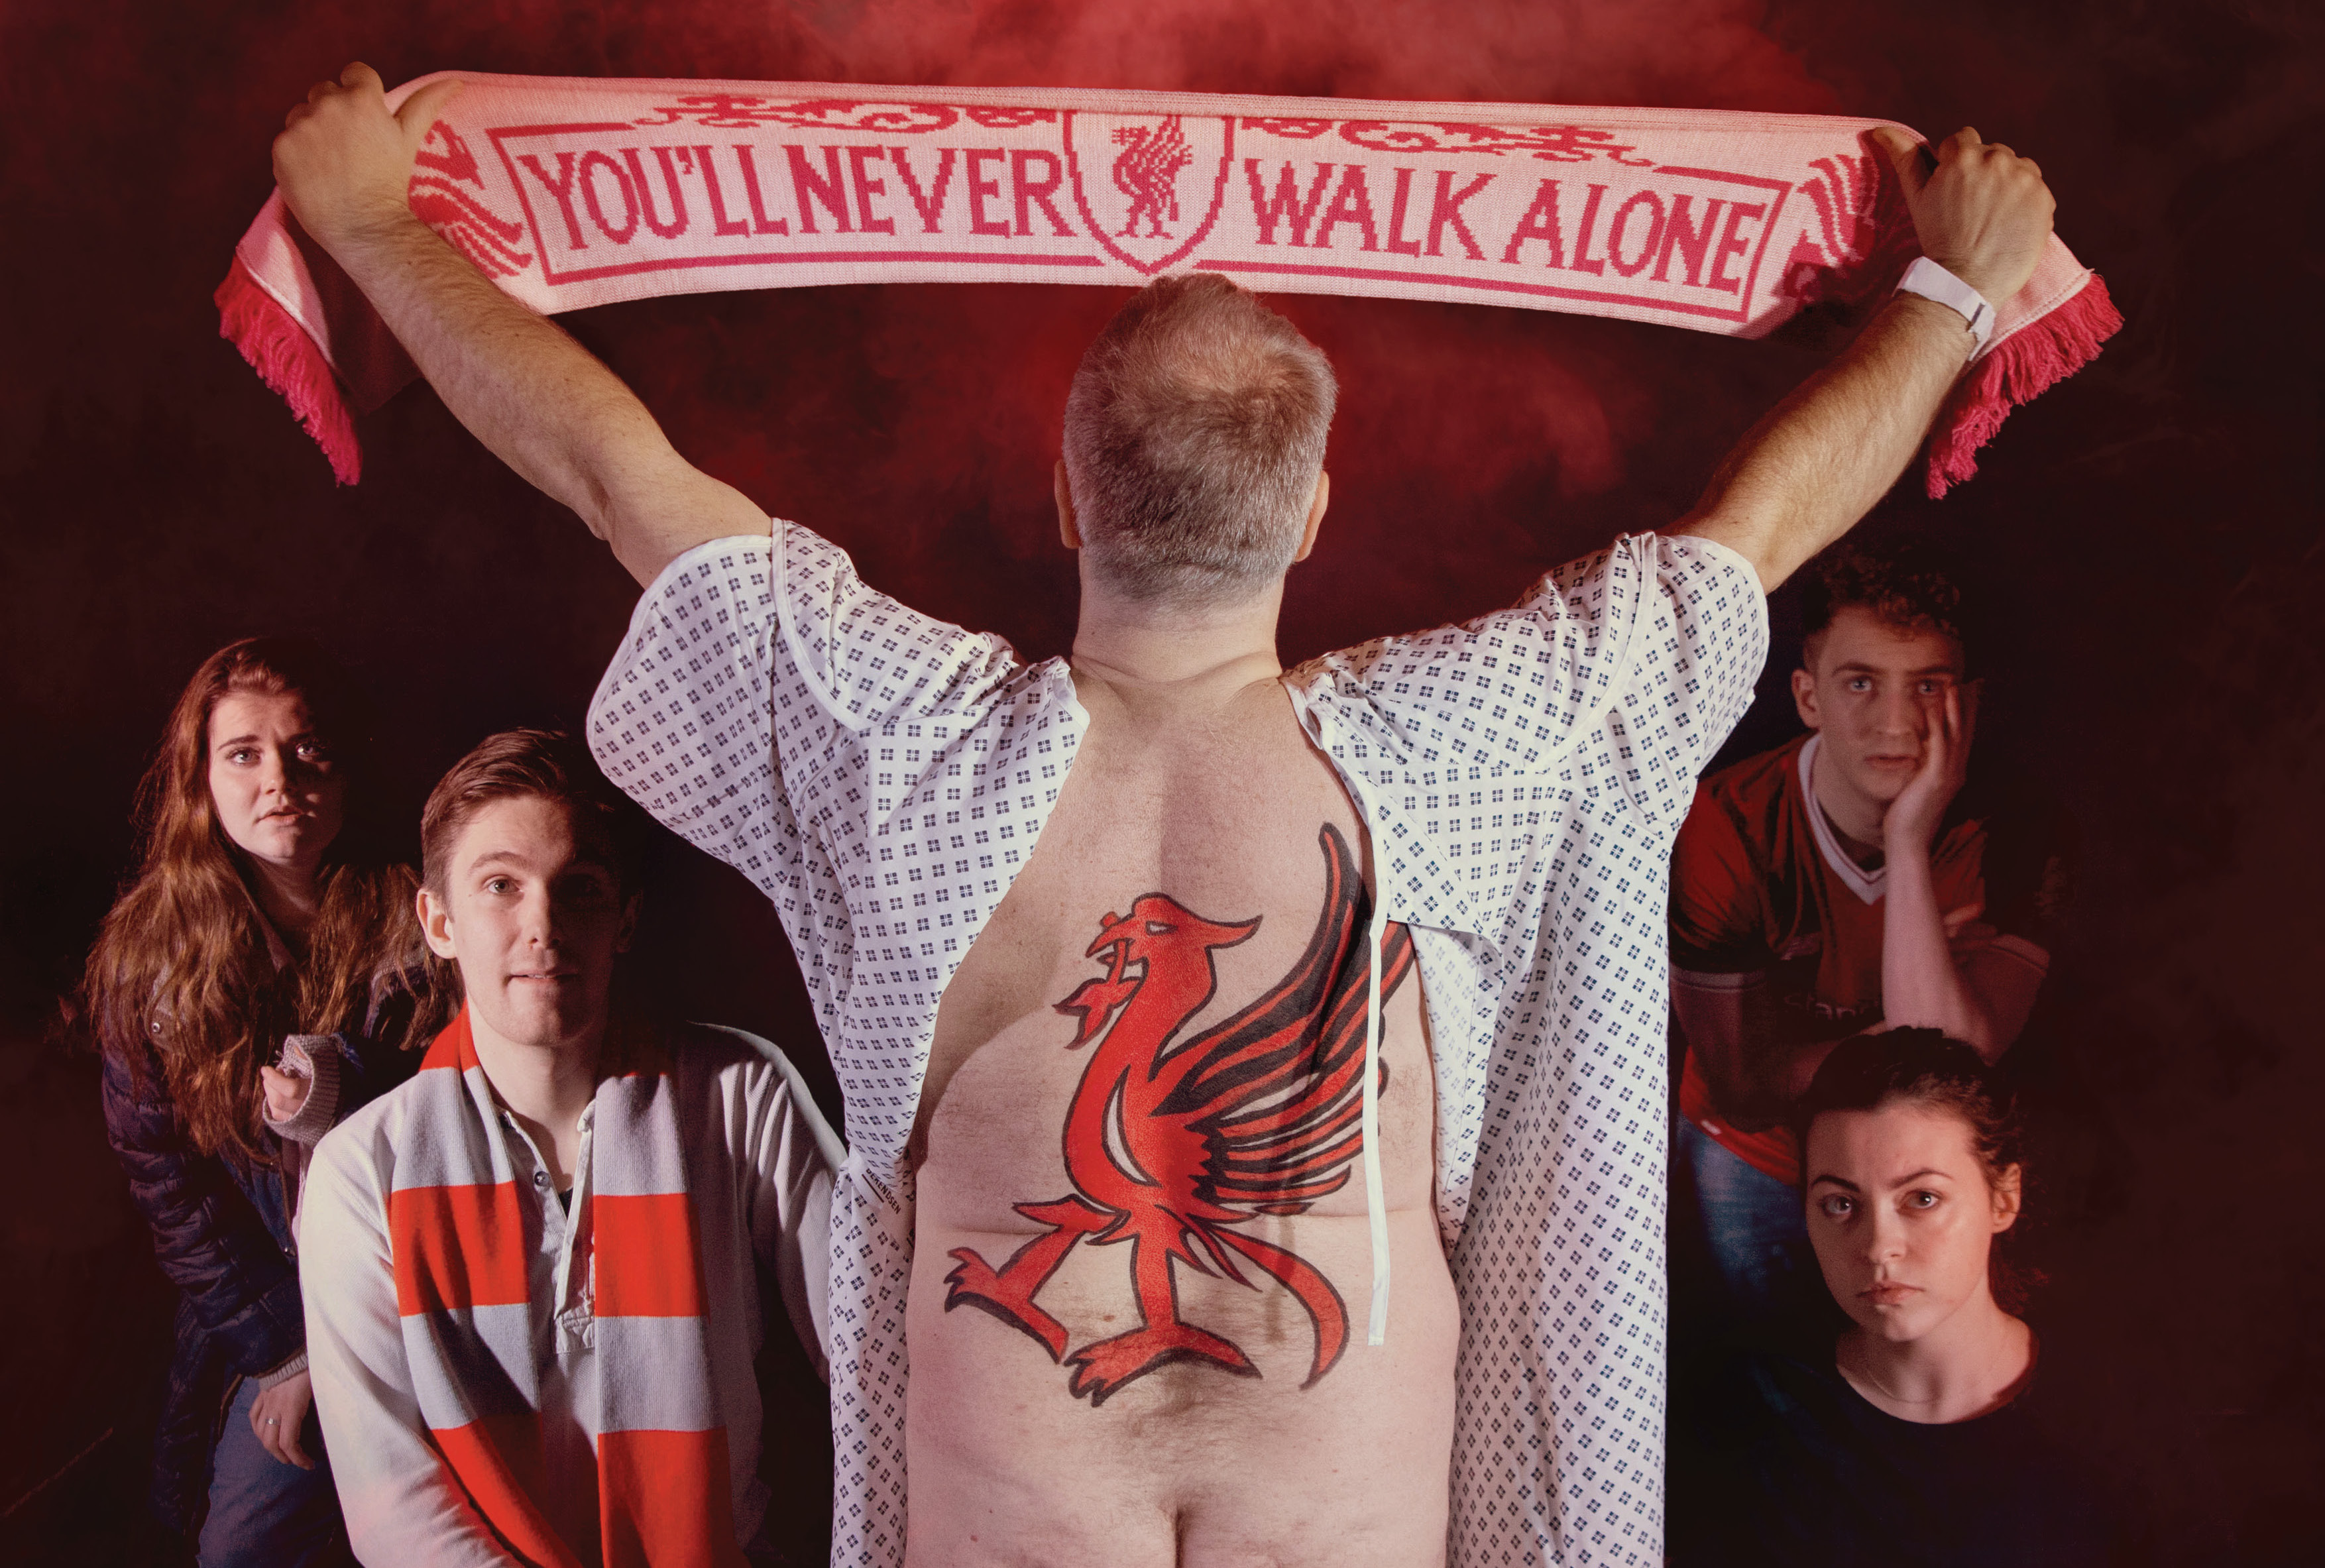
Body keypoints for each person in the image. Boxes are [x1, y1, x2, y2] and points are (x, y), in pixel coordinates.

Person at [269, 62, 2057, 1565]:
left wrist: (369, 224)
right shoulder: (1478, 741)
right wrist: (1953, 289)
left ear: (1064, 494)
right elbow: (1755, 532)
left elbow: (610, 466)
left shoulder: (908, 751)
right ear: (1311, 507)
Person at [296, 730, 839, 1567]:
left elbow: (873, 1352)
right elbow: (392, 1507)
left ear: (624, 919)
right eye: (500, 886)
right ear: (438, 921)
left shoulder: (738, 1092)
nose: (542, 924)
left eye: (577, 888)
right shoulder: (360, 1170)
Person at [85, 636, 442, 1564]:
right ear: (200, 778)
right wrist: (293, 1349)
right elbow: (172, 1189)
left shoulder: (425, 919)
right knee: (241, 1545)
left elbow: (472, 1123)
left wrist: (338, 1092)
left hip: (437, 1300)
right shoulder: (153, 957)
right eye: (244, 752)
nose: (278, 777)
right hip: (274, 1317)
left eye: (305, 747)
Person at [1668, 547, 2069, 1335]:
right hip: (1760, 1161)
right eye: (1860, 683)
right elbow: (1746, 1086)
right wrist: (1922, 1014)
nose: (1894, 723)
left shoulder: (2020, 831)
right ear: (1807, 696)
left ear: (1970, 702)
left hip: (1928, 1175)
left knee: (1917, 1393)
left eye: (1927, 686)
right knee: (1772, 1378)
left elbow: (1953, 1060)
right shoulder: (1723, 826)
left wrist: (1911, 837)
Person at [1668, 1030, 2129, 1567]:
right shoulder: (1745, 1416)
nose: (1877, 1246)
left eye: (1922, 1198)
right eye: (1840, 1204)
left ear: (2003, 1199)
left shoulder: (2115, 1426)